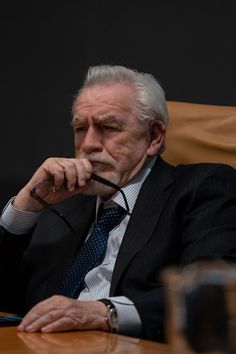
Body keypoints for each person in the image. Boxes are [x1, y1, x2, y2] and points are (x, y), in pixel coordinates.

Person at [0, 65, 236, 342]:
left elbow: (207, 295)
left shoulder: (201, 187)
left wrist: (103, 312)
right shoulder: (63, 202)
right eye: (79, 128)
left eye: (108, 127)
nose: (88, 144)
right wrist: (24, 208)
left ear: (154, 136)